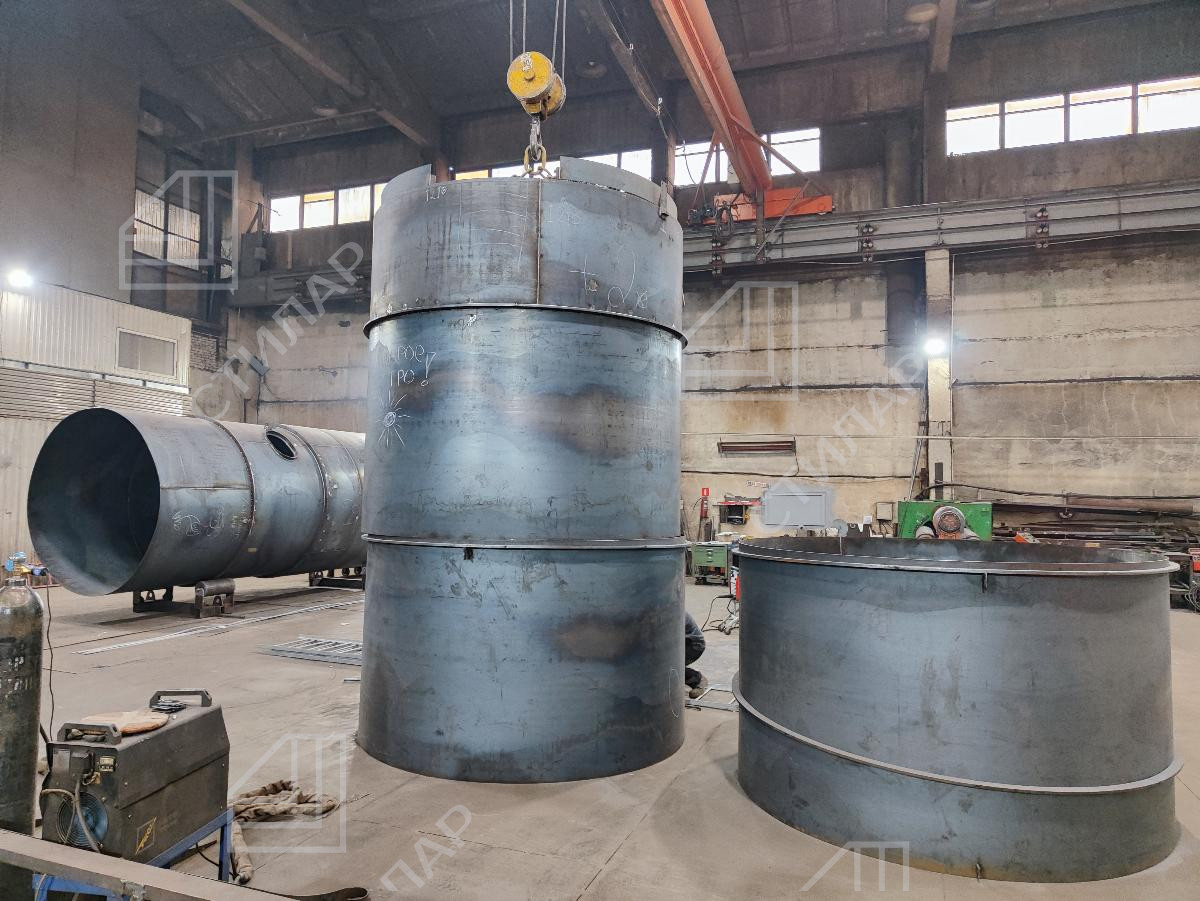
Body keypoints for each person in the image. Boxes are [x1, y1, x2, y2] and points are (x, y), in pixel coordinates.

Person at [684, 612, 707, 699]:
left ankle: (697, 679)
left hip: (693, 645)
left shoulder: (672, 613)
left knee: (663, 665)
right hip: (682, 643)